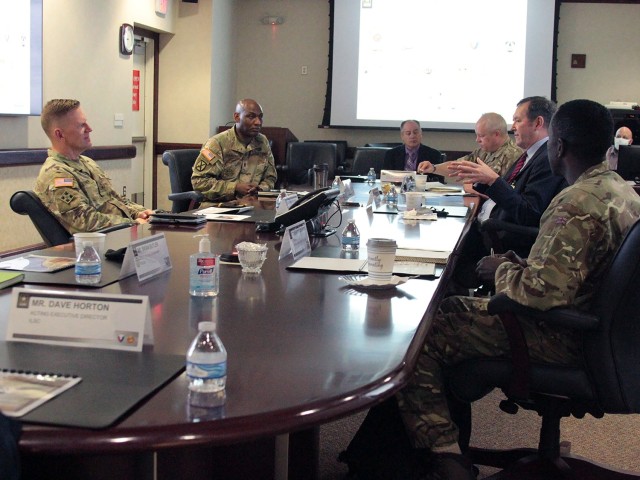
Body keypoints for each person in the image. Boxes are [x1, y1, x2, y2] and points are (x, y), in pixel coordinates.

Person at [396, 99, 640, 479]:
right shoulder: (620, 190)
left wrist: (501, 269)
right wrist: (522, 264)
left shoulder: (577, 201)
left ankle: (445, 454)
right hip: (603, 333)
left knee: (421, 332)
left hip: (563, 337)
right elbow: (577, 270)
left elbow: (541, 293)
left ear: (558, 147)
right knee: (450, 307)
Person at [448, 97, 567, 289]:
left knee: (449, 253)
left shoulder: (546, 158)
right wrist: (482, 180)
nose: (513, 127)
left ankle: (448, 307)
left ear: (538, 123)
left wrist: (493, 180)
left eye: (518, 120)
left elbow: (529, 212)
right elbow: (510, 191)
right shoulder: (529, 155)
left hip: (501, 238)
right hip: (489, 227)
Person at [34, 99, 152, 234]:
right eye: (81, 125)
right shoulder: (56, 174)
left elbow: (114, 200)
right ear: (60, 134)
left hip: (120, 235)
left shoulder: (87, 162)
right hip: (97, 247)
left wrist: (140, 213)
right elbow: (84, 221)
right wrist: (133, 223)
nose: (89, 129)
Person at [191, 98, 277, 204]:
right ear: (237, 117)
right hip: (218, 206)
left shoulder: (262, 142)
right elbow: (199, 182)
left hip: (251, 204)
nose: (258, 122)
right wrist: (234, 187)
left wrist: (260, 188)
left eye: (260, 117)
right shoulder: (217, 144)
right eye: (251, 116)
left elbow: (270, 177)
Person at [452, 112, 522, 177]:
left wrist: (471, 184)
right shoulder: (483, 151)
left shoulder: (513, 155)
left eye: (481, 136)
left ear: (496, 134)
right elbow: (456, 166)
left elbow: (508, 188)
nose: (477, 140)